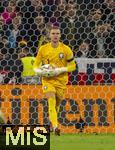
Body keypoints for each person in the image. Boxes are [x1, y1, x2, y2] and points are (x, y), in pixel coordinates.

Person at [33, 25, 76, 135]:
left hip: (61, 81)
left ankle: (51, 122)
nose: (55, 35)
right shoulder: (43, 49)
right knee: (51, 101)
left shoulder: (66, 49)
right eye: (53, 33)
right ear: (49, 35)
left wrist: (60, 70)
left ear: (60, 35)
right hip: (48, 80)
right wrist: (39, 72)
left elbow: (73, 66)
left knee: (56, 105)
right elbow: (36, 65)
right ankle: (56, 127)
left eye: (57, 33)